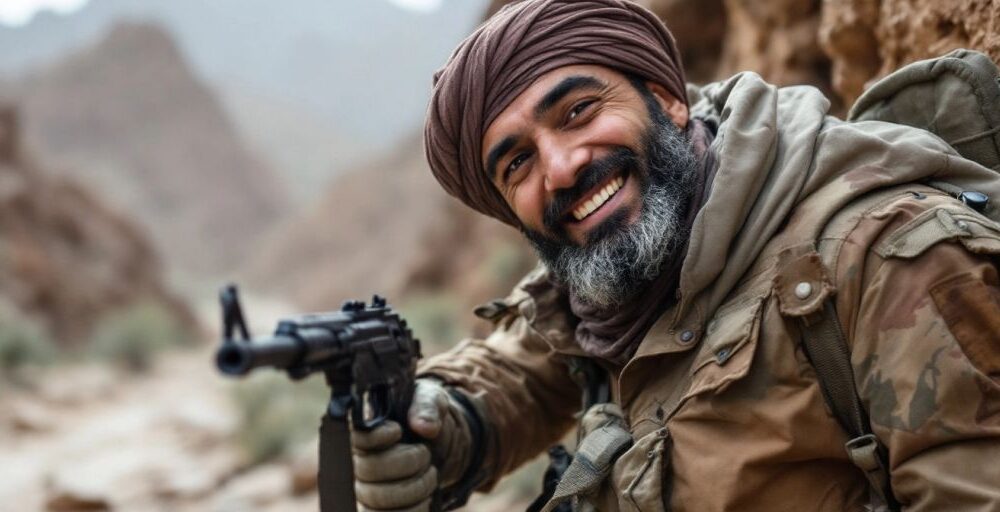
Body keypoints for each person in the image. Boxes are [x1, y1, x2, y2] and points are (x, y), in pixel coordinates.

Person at [349, 0, 1000, 510]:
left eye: (578, 111)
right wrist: (438, 422)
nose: (562, 167)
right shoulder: (612, 275)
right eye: (517, 162)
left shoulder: (890, 260)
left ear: (666, 98)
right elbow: (528, 361)